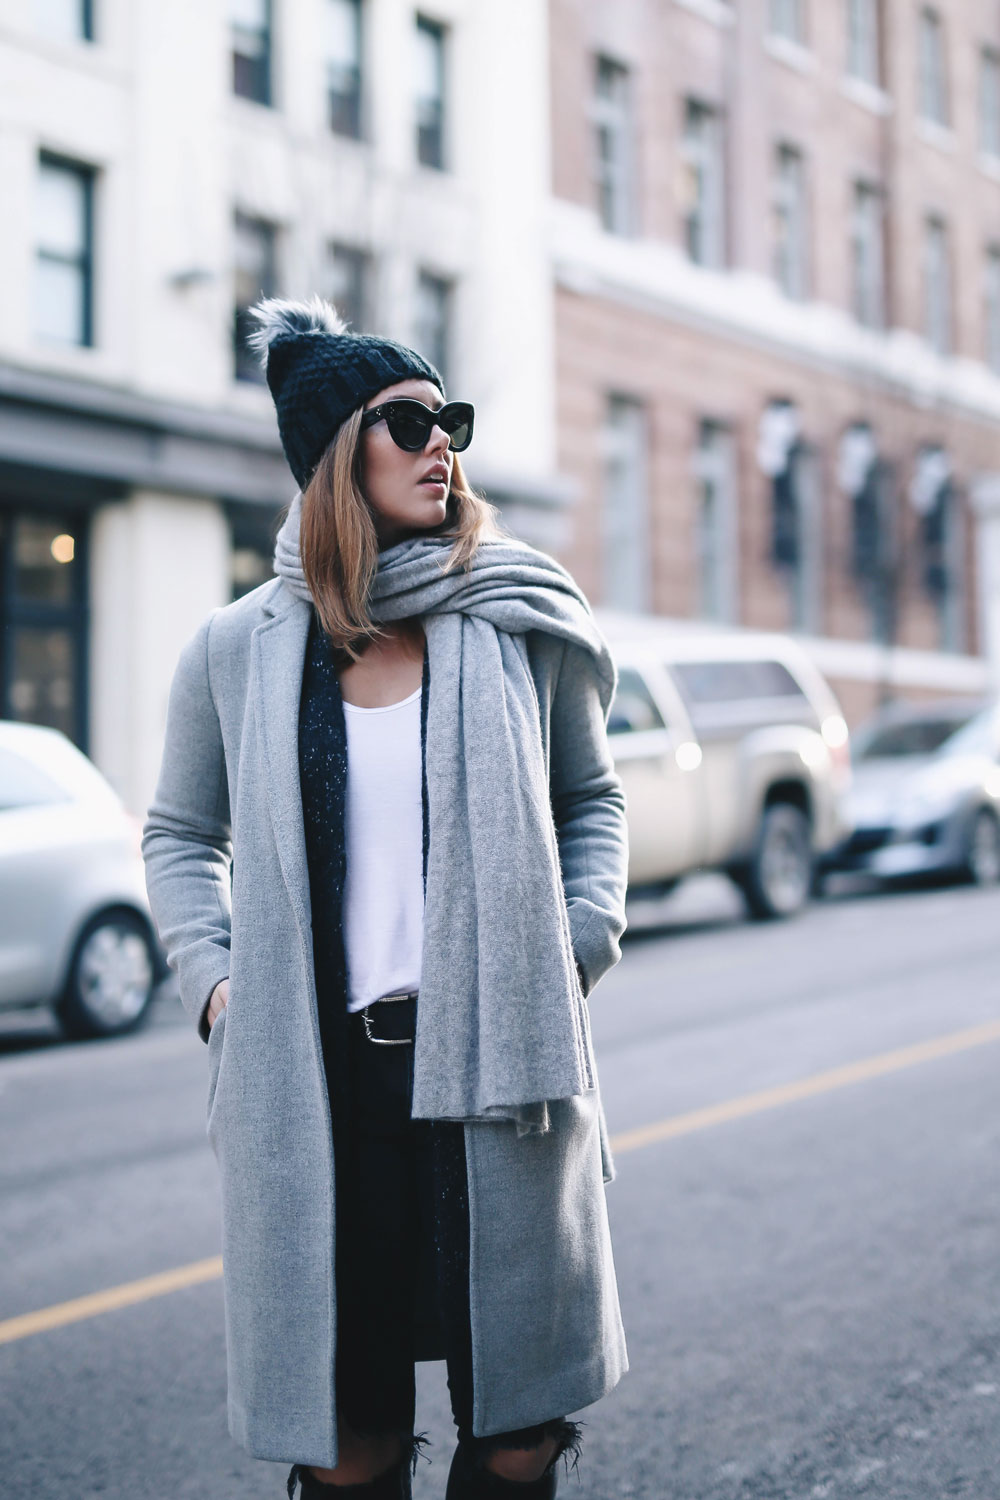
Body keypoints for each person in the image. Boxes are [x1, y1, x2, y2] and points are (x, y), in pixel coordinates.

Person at [141, 296, 629, 1499]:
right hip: (323, 1083)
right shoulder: (238, 649)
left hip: (500, 1070)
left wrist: (572, 946)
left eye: (449, 418)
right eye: (408, 420)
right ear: (330, 457)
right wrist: (216, 991)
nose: (440, 443)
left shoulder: (511, 618)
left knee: (518, 1431)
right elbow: (177, 833)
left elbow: (593, 801)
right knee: (352, 1446)